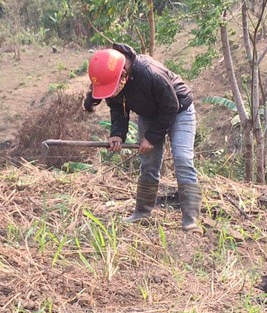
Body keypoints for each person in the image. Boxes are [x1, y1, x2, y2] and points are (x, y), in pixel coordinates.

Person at [86, 44, 201, 231]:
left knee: (182, 159)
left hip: (179, 110)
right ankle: (142, 212)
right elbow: (118, 108)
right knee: (148, 163)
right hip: (150, 114)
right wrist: (117, 134)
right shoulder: (112, 81)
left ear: (123, 74)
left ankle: (191, 220)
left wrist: (152, 138)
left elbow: (170, 106)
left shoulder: (149, 73)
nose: (111, 92)